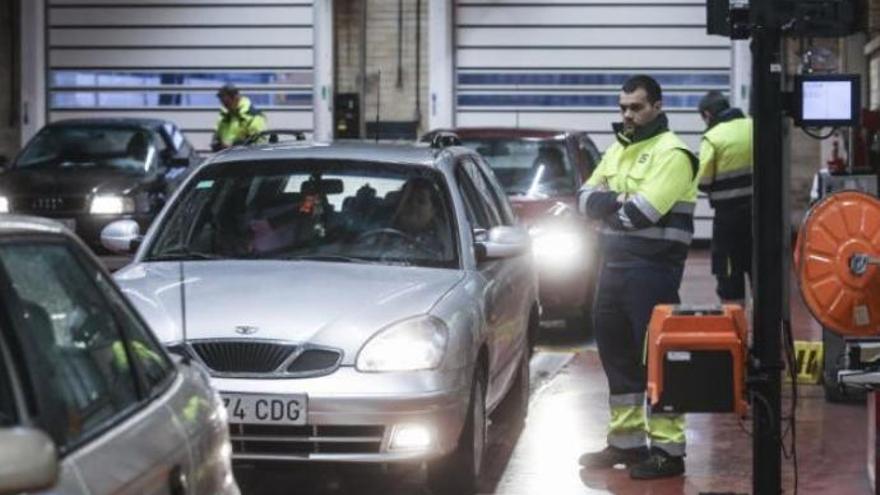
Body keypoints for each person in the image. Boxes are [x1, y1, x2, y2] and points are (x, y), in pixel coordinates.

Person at [576, 75, 698, 479]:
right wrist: (616, 200)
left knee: (658, 360)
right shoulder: (617, 150)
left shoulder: (674, 153)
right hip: (612, 268)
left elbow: (639, 214)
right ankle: (627, 443)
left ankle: (667, 450)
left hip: (653, 271)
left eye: (636, 107)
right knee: (617, 357)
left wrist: (607, 205)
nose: (628, 114)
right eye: (623, 107)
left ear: (658, 106)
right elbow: (581, 199)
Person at [697, 90, 753, 304]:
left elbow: (703, 181)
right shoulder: (753, 125)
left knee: (728, 272)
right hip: (759, 215)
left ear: (708, 115)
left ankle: (736, 325)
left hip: (728, 220)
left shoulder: (713, 137)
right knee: (759, 269)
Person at [210, 83, 268, 152]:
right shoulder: (224, 117)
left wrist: (235, 146)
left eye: (227, 102)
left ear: (235, 97)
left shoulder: (253, 116)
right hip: (225, 160)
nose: (225, 106)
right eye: (222, 102)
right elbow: (217, 139)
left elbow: (260, 144)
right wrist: (217, 145)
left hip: (243, 160)